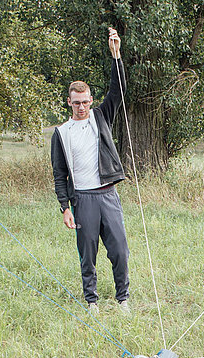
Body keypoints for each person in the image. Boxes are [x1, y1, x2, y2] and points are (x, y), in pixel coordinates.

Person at [51, 27, 131, 315]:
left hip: (108, 194)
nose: (82, 107)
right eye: (77, 103)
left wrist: (116, 55)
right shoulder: (62, 132)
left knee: (119, 250)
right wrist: (65, 207)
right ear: (69, 103)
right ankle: (92, 301)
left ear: (90, 101)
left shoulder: (101, 116)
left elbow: (118, 89)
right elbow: (59, 173)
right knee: (88, 254)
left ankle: (123, 299)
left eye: (86, 102)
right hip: (82, 199)